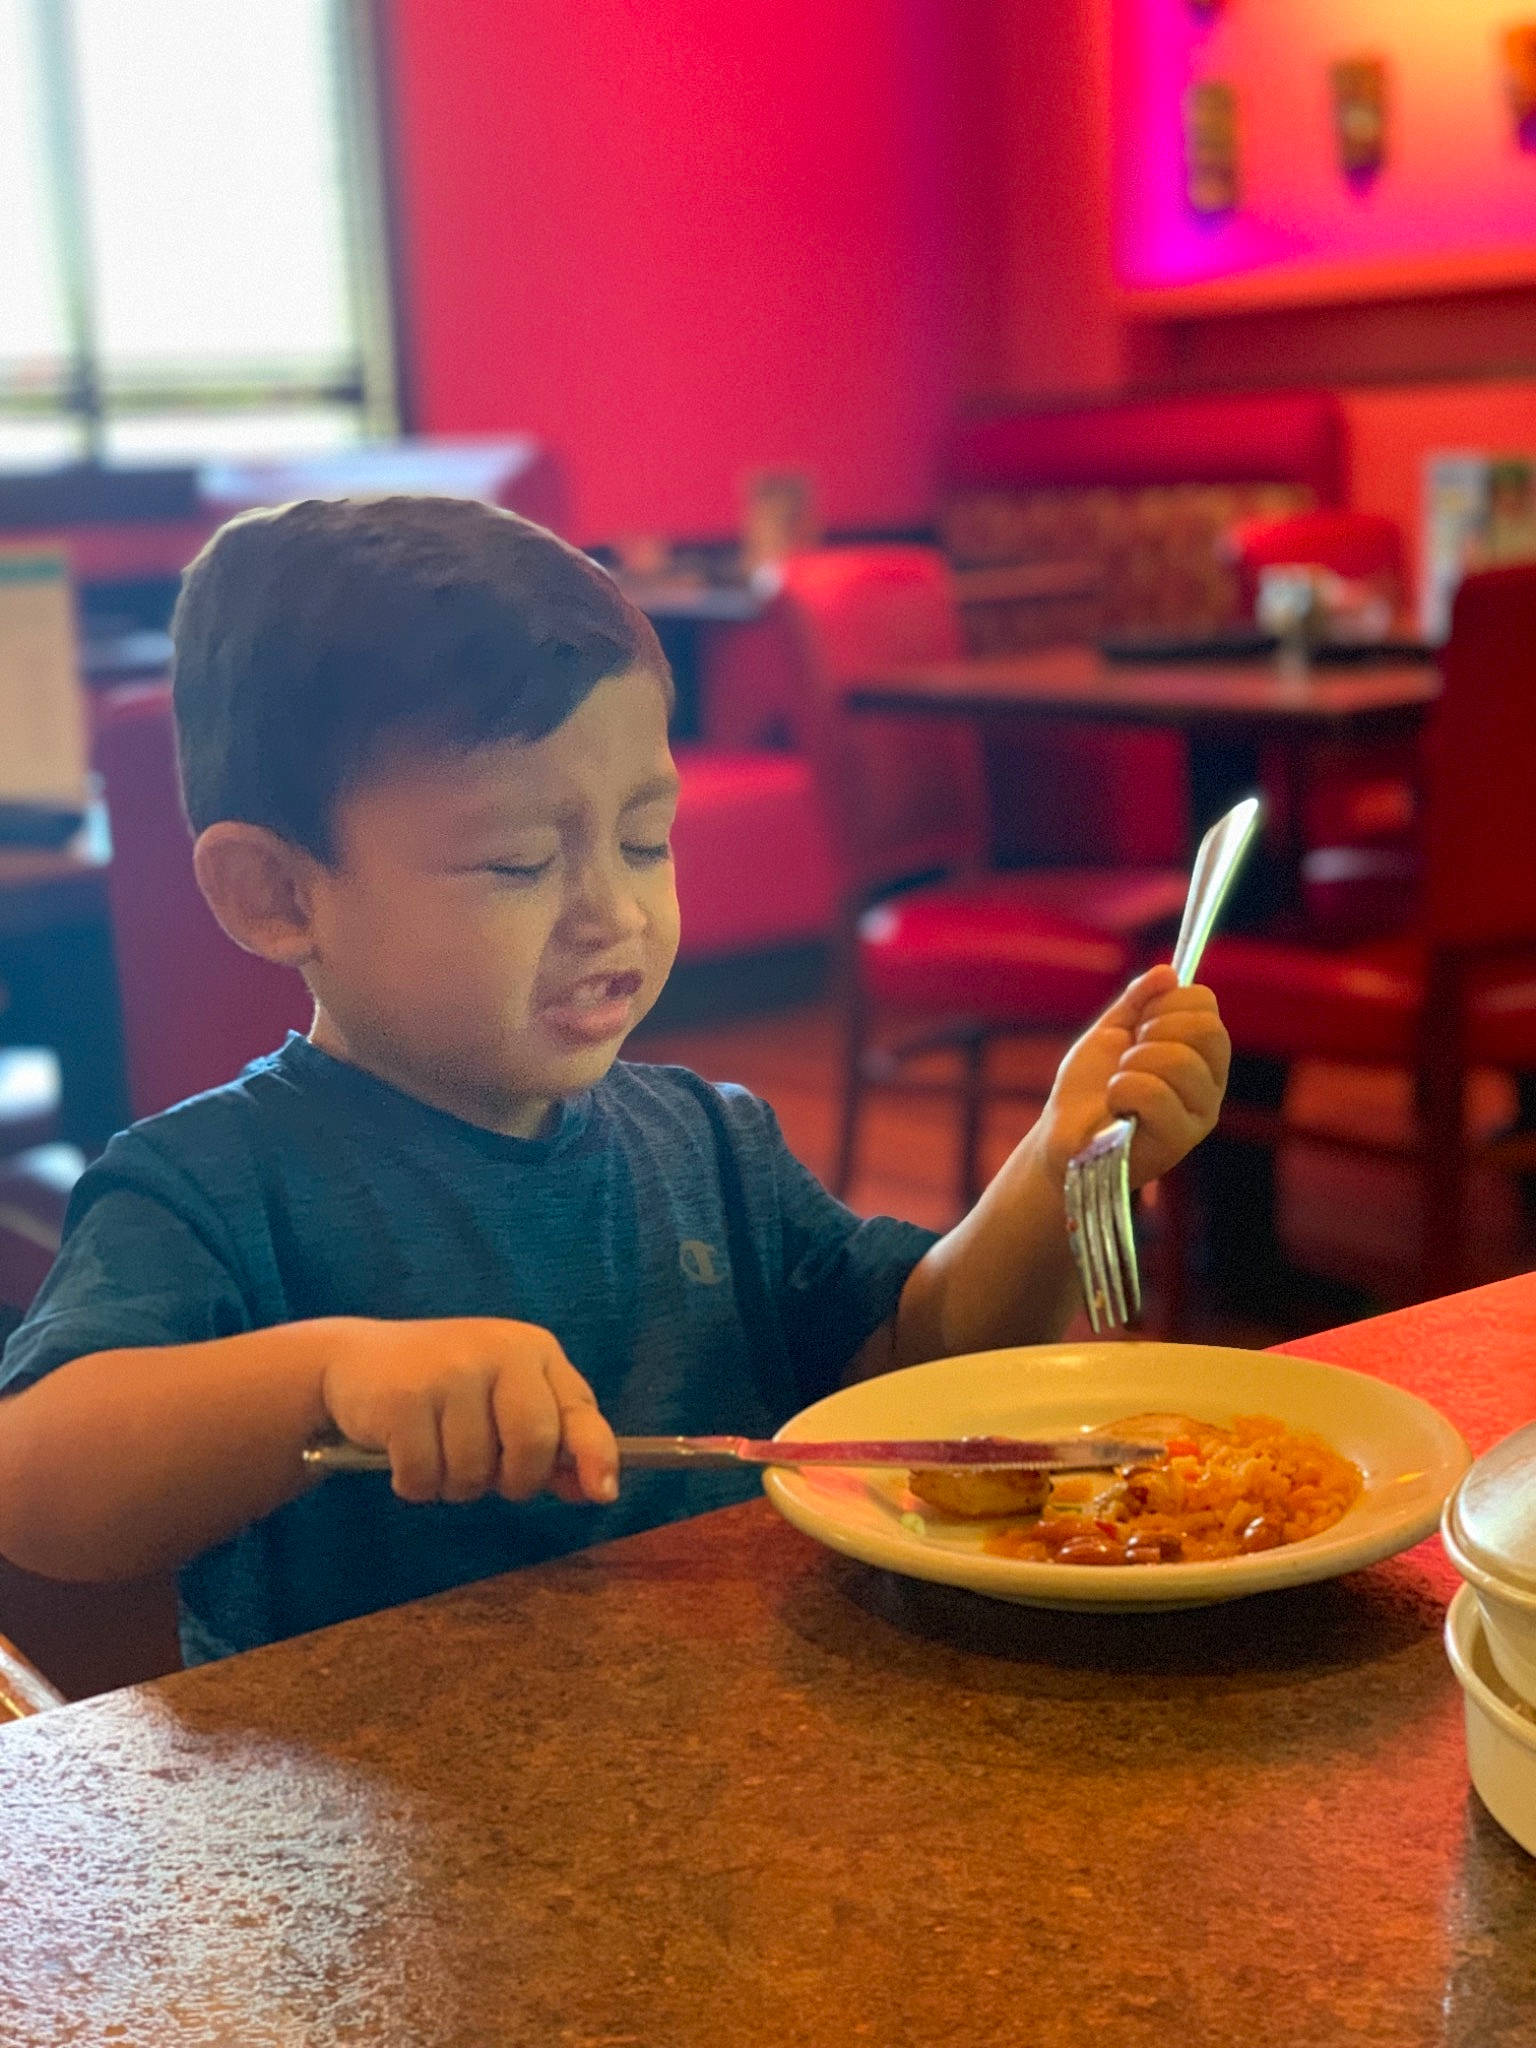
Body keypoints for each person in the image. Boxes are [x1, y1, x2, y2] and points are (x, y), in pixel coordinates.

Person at [0, 498, 1230, 1665]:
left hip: (724, 1754)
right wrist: (329, 1375)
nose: (614, 912)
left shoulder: (705, 1142)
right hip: (369, 1835)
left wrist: (1054, 1176)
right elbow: (36, 1480)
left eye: (646, 839)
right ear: (277, 895)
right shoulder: (212, 1186)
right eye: (519, 861)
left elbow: (913, 1371)